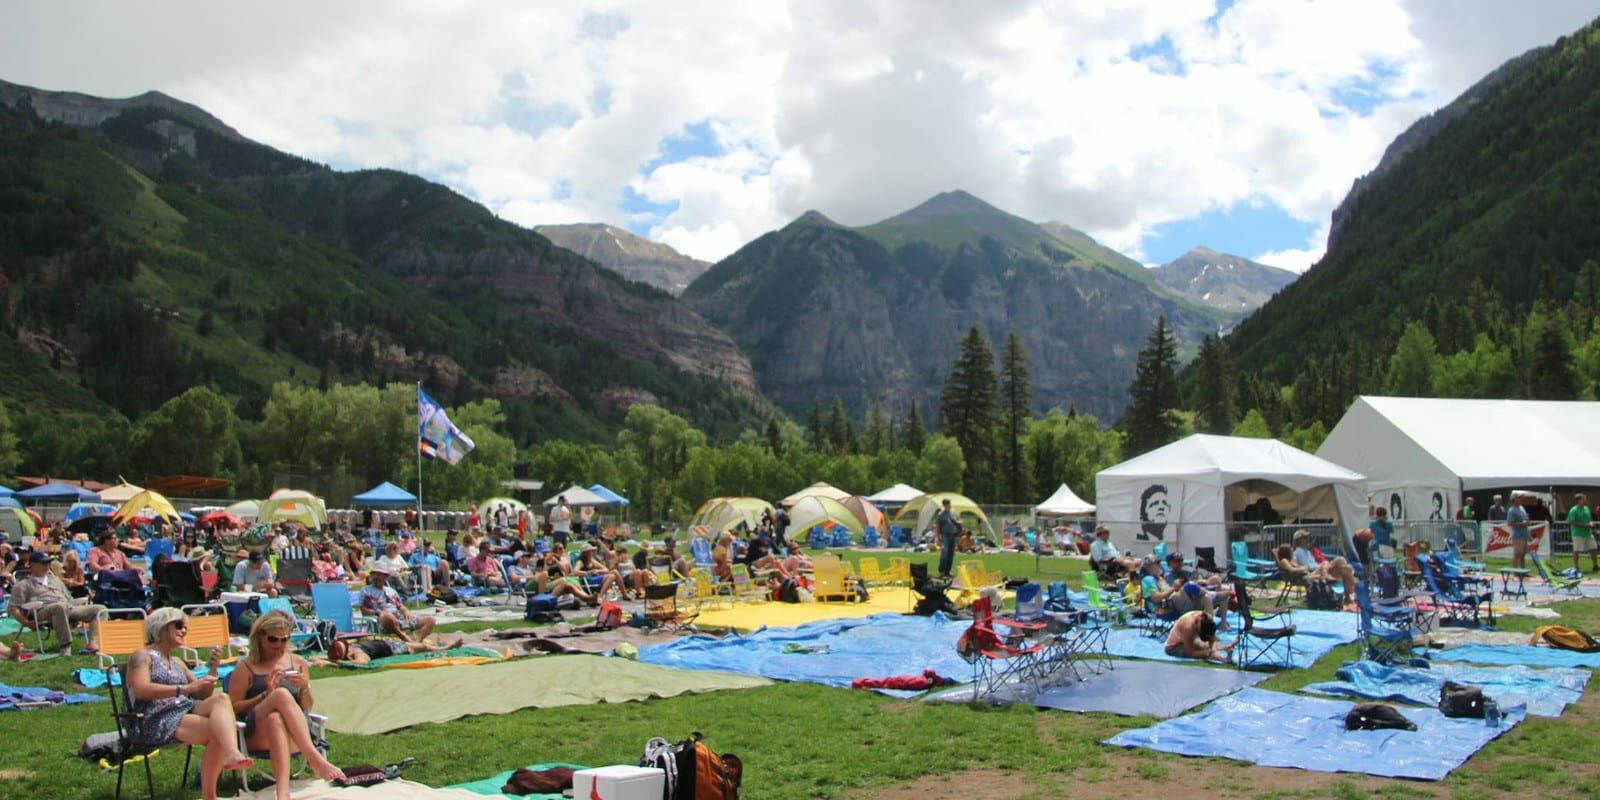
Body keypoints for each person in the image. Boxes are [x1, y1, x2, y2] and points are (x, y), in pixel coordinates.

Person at [126, 607, 255, 800]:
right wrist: (183, 690)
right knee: (218, 732)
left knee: (221, 698)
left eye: (186, 627)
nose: (184, 630)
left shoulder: (177, 661)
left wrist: (212, 669)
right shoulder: (142, 656)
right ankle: (210, 795)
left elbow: (201, 694)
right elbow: (141, 690)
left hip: (183, 710)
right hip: (153, 718)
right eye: (178, 625)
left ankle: (231, 753)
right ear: (160, 627)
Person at [227, 612, 344, 796]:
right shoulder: (246, 667)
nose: (279, 645)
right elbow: (233, 707)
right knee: (280, 695)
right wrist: (266, 694)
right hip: (257, 732)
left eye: (284, 639)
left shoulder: (297, 663)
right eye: (273, 640)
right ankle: (315, 758)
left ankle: (283, 793)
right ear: (259, 637)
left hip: (295, 735)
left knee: (276, 719)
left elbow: (307, 707)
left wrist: (304, 688)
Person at [10, 551, 105, 654]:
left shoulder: (55, 580)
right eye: (43, 563)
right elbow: (14, 608)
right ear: (32, 565)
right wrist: (27, 623)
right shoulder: (23, 584)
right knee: (60, 607)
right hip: (43, 610)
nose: (46, 566)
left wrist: (83, 602)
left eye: (48, 563)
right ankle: (65, 646)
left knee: (100, 609)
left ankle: (93, 644)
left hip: (68, 607)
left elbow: (69, 598)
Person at [359, 567, 437, 642]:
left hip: (400, 619)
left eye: (379, 574)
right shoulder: (366, 591)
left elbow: (400, 606)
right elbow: (363, 610)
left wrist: (406, 611)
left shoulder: (391, 591)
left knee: (430, 620)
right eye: (374, 574)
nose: (376, 577)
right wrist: (378, 612)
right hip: (381, 622)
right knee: (386, 616)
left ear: (386, 576)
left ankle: (416, 643)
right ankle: (404, 637)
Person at [323, 635, 465, 665]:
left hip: (387, 642)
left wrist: (329, 660)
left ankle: (438, 643)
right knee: (423, 648)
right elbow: (362, 663)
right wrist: (333, 663)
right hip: (394, 648)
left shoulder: (355, 648)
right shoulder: (359, 653)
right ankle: (446, 647)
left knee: (420, 645)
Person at [1164, 610, 1233, 664]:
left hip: (1191, 638)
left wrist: (1211, 647)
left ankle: (1225, 649)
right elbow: (1191, 652)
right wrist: (1208, 653)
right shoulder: (1188, 626)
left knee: (1208, 647)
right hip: (1174, 647)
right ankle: (1223, 659)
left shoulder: (1207, 618)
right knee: (1204, 651)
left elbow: (1211, 637)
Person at [1569, 493, 1596, 573]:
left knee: (1593, 548)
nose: (1585, 500)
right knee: (1577, 550)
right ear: (1579, 500)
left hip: (1588, 533)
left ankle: (1595, 566)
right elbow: (1571, 521)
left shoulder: (1586, 508)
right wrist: (1585, 525)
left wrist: (1591, 523)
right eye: (1584, 499)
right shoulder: (1573, 510)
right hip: (1578, 533)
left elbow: (1589, 518)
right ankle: (1576, 566)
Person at [935, 498, 961, 579]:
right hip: (945, 535)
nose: (948, 506)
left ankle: (947, 572)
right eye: (946, 504)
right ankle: (942, 572)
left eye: (949, 504)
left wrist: (958, 523)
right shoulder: (940, 515)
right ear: (944, 505)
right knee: (944, 554)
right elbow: (938, 526)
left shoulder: (953, 513)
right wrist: (938, 538)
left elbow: (959, 522)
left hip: (953, 535)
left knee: (951, 554)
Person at [1507, 493, 1531, 569]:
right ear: (1514, 500)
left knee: (1523, 554)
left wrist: (1527, 522)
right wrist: (1522, 523)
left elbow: (1526, 518)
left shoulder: (1521, 508)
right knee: (1517, 553)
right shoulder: (1512, 510)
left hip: (1524, 534)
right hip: (1517, 535)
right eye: (1519, 498)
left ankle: (1523, 571)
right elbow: (1510, 523)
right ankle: (1515, 571)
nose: (1521, 500)